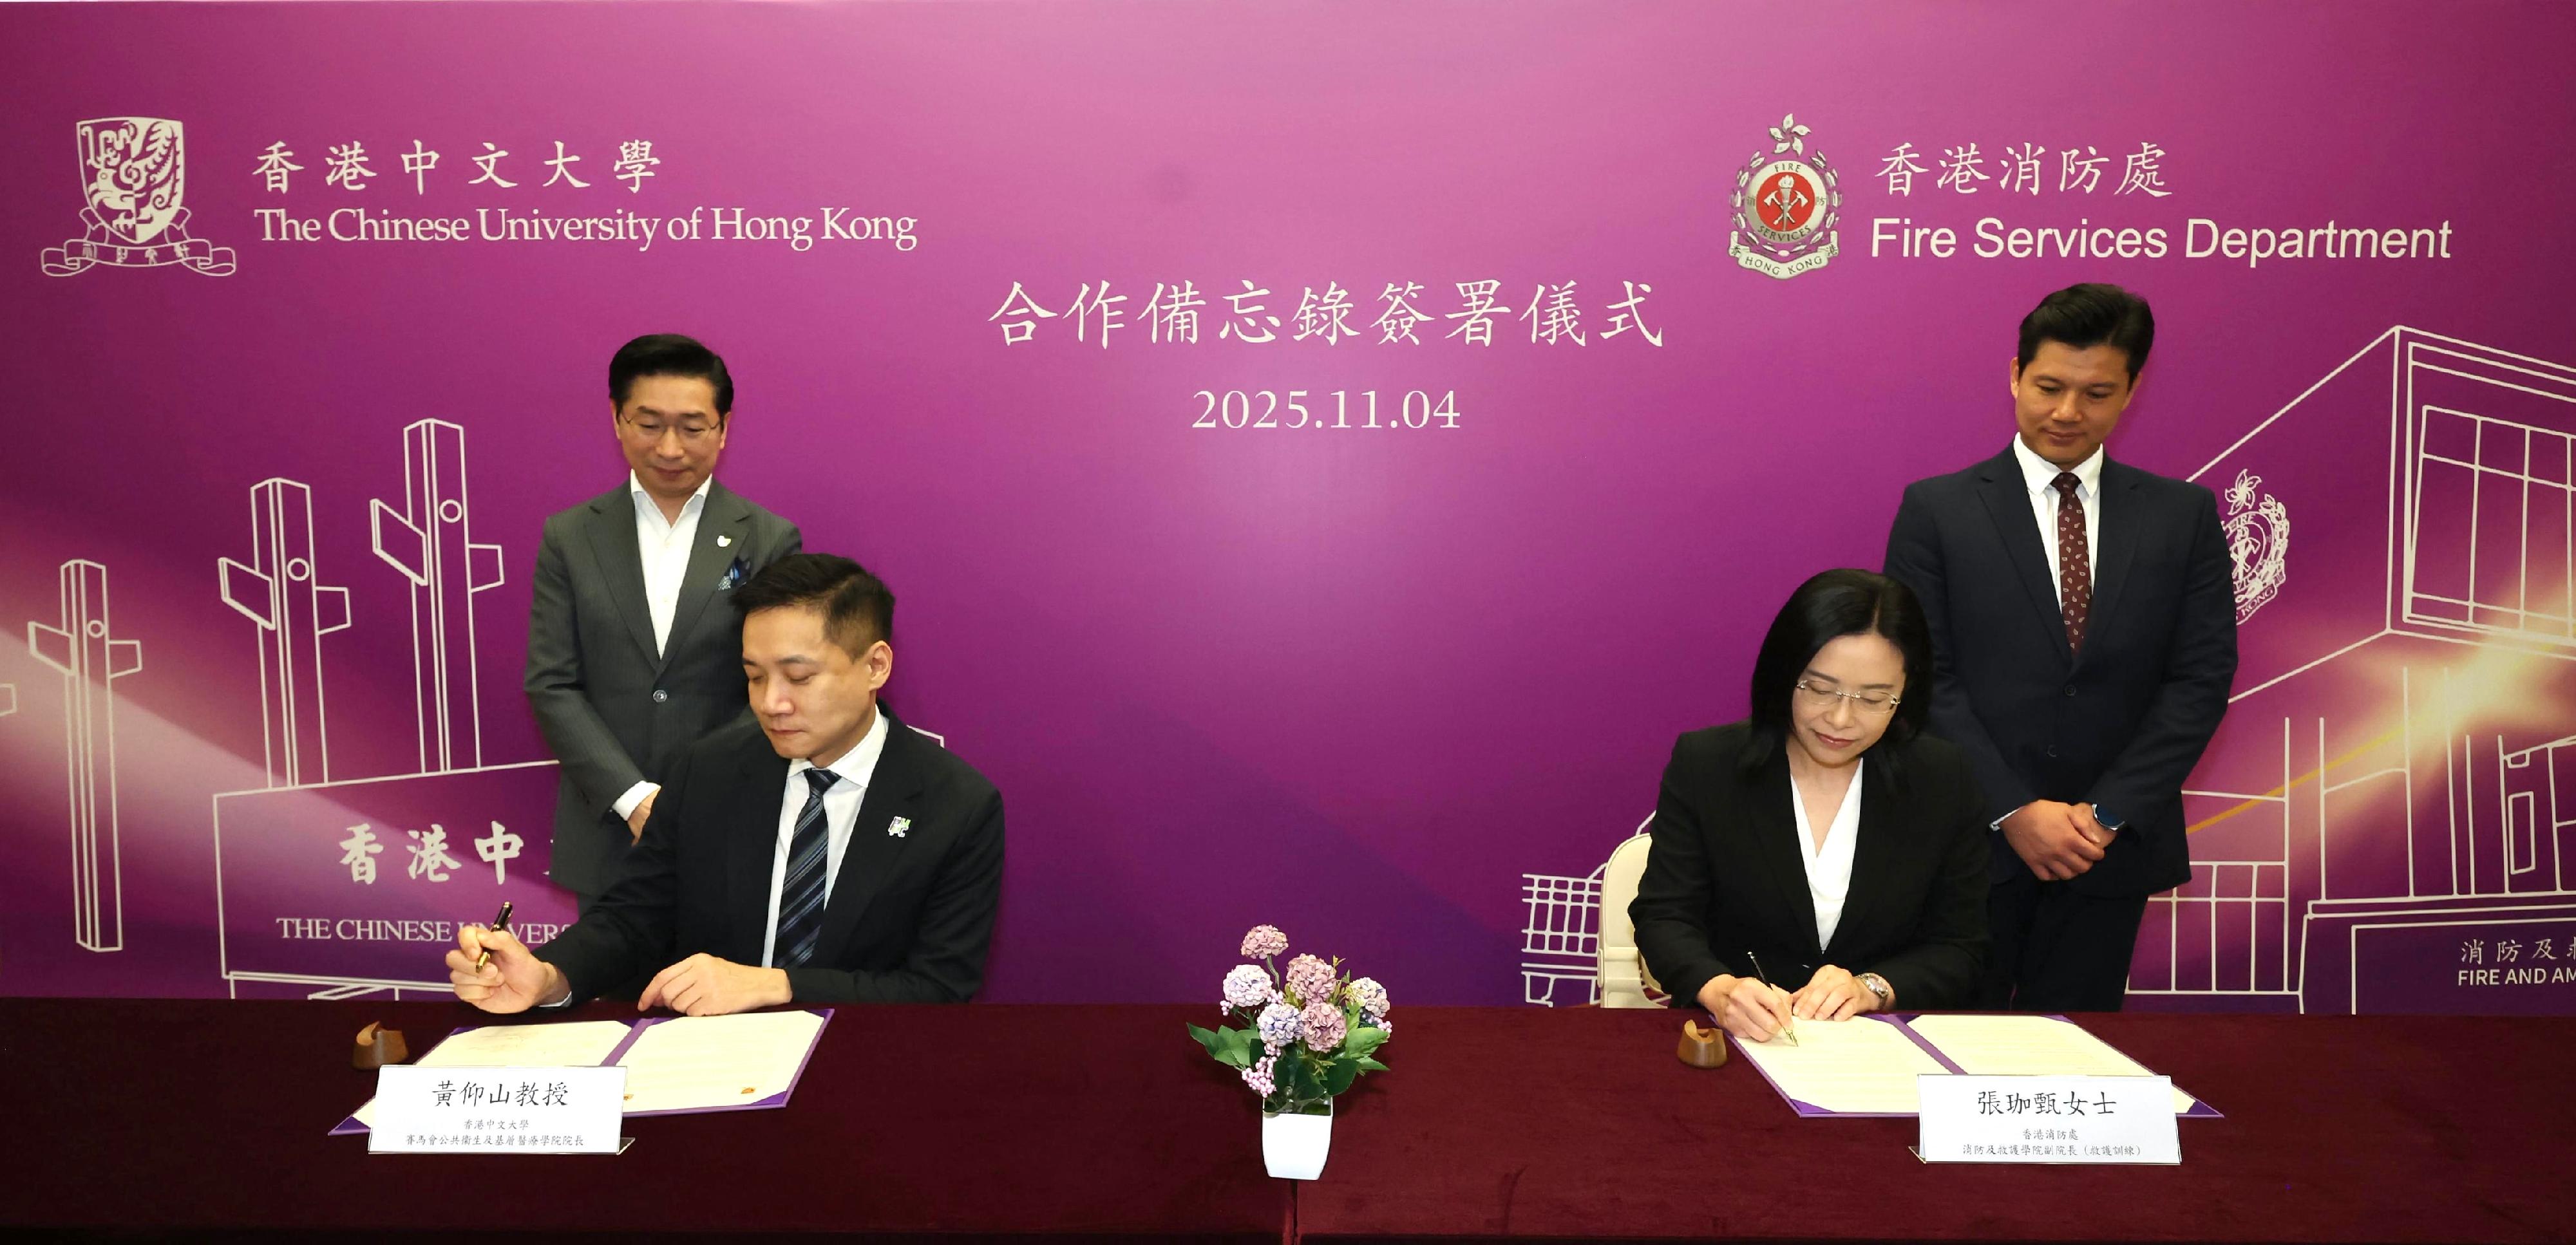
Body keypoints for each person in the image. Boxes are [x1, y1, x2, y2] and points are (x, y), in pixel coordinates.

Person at [1882, 283, 2237, 1012]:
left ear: (2131, 390)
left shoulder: (2183, 515)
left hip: (2107, 850)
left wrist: (2103, 814)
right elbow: (1921, 675)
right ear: (2015, 375)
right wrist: (2014, 810)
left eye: (2096, 392)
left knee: (2077, 1056)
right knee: (1949, 1050)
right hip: (1967, 844)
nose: (2068, 412)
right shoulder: (1938, 509)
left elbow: (2199, 678)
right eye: (2049, 387)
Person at [455, 554, 1005, 1011]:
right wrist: (550, 978)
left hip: (862, 1065)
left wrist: (777, 985)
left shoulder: (956, 806)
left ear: (876, 667)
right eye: (754, 677)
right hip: (709, 1061)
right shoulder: (710, 770)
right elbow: (634, 917)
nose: (771, 703)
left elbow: (938, 988)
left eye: (799, 677)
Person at [1631, 568, 1990, 1043]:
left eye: (1874, 699)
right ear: (1784, 675)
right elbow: (1665, 916)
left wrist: (1873, 988)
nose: (1841, 719)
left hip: (1879, 1048)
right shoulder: (1708, 765)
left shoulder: (1943, 778)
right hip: (1736, 1041)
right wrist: (1719, 990)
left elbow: (1960, 947)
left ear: (1906, 695)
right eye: (1819, 689)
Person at [525, 333, 802, 910]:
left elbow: (778, 686)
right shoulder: (571, 537)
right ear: (617, 418)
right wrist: (631, 798)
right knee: (606, 968)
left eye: (693, 427)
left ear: (724, 428)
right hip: (607, 832)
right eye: (649, 424)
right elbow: (552, 684)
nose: (670, 448)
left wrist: (689, 799)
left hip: (727, 821)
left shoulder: (769, 539)